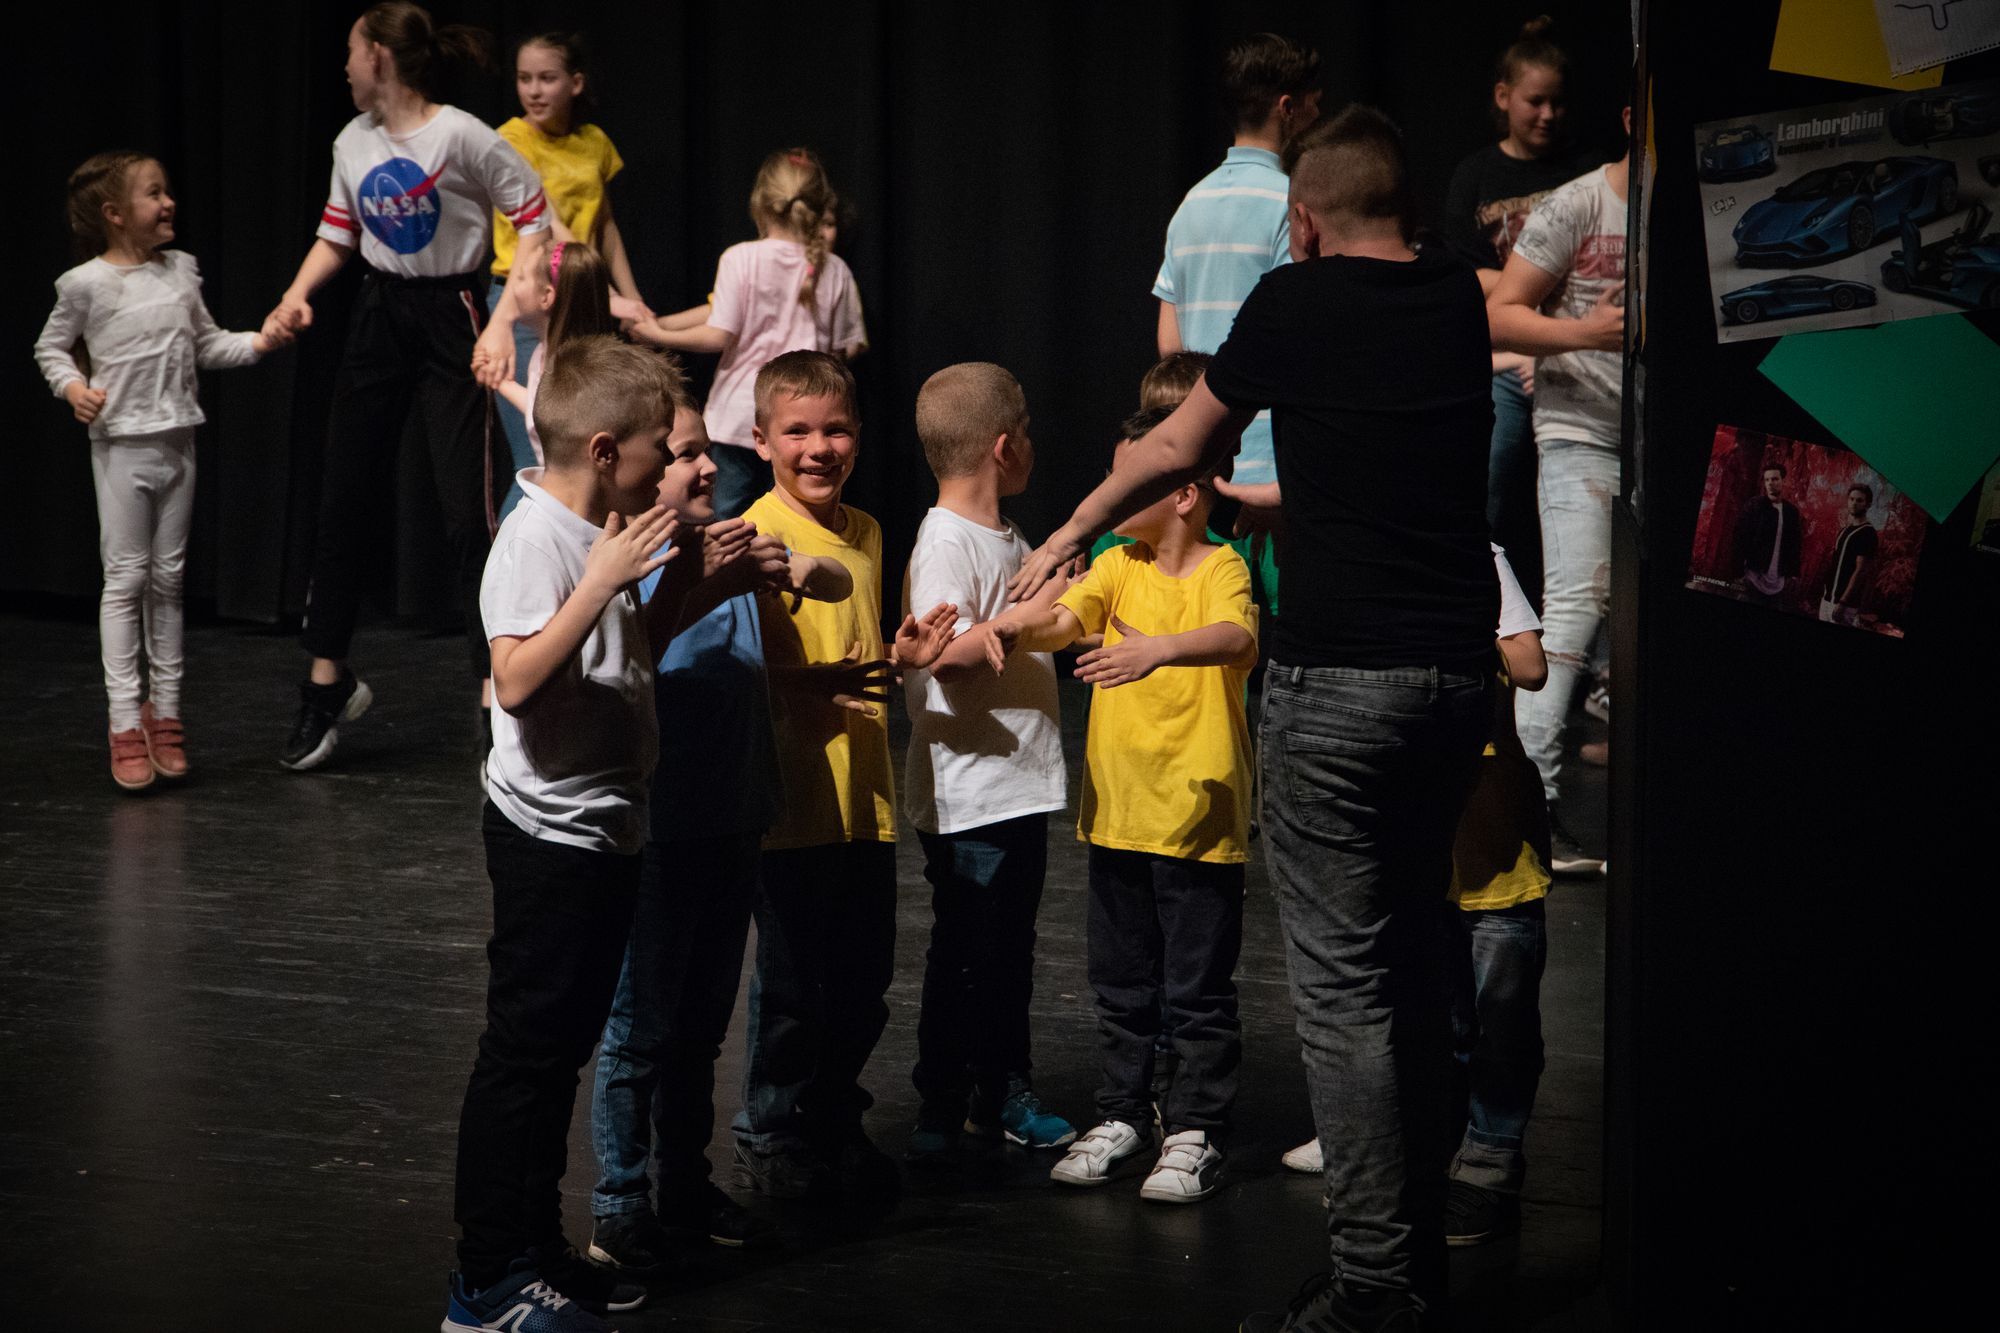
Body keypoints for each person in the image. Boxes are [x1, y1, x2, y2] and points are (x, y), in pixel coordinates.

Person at [1010, 106, 1498, 1328]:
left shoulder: (1294, 301)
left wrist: (1069, 530)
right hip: (1452, 679)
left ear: (1302, 221)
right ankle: (1411, 1267)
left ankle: (1374, 1288)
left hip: (1339, 685)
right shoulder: (1453, 298)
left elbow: (1177, 442)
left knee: (1346, 996)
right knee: (1414, 965)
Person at [445, 337, 701, 1333]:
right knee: (523, 1057)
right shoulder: (538, 540)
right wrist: (601, 582)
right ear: (603, 450)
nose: (665, 461)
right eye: (655, 446)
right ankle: (483, 1284)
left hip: (602, 830)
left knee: (558, 1059)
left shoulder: (599, 532)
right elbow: (514, 679)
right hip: (547, 838)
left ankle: (534, 1247)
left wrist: (695, 585)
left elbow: (619, 658)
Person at [586, 379, 841, 1275]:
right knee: (640, 1027)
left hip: (733, 816)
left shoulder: (728, 540)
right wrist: (710, 577)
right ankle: (619, 1200)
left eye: (703, 450)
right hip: (660, 828)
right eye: (683, 452)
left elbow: (833, 581)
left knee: (700, 1027)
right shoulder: (631, 561)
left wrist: (789, 569)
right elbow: (633, 657)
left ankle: (684, 1186)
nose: (703, 466)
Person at [265, 2, 550, 772]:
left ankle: (496, 692)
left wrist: (501, 320)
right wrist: (297, 294)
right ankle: (326, 680)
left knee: (467, 515)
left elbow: (534, 217)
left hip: (452, 314)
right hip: (378, 315)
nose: (345, 67)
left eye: (352, 53)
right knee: (342, 500)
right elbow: (338, 233)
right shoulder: (352, 142)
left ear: (380, 58)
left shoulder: (459, 135)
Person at [984, 404, 1255, 1203]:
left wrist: (1158, 649)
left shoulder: (1222, 566)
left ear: (1183, 492)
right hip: (1120, 816)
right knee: (1122, 982)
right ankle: (1124, 1113)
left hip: (1197, 821)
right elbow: (1063, 618)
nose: (1111, 489)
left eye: (1128, 477)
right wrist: (1013, 627)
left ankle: (1197, 1128)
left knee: (1197, 989)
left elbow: (1238, 638)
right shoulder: (1117, 563)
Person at [729, 351, 957, 1205]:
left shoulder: (864, 530)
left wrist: (903, 656)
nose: (819, 447)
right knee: (792, 984)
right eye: (798, 431)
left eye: (836, 429)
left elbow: (859, 653)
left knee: (861, 982)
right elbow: (738, 673)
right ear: (761, 441)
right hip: (793, 799)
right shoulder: (752, 537)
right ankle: (770, 1132)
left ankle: (832, 1118)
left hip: (863, 799)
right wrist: (806, 686)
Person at [34, 152, 290, 790]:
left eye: (167, 191)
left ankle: (166, 713)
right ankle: (125, 721)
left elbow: (205, 343)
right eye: (153, 194)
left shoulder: (180, 271)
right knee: (126, 580)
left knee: (168, 581)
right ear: (115, 214)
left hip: (178, 443)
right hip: (123, 448)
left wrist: (261, 340)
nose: (168, 202)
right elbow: (51, 347)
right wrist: (73, 388)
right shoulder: (86, 284)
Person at [897, 363, 1076, 1165]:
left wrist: (1063, 607)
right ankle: (944, 1096)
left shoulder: (1011, 537)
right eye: (1027, 429)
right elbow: (946, 655)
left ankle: (999, 1092)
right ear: (1004, 447)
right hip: (973, 793)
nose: (1033, 442)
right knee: (966, 956)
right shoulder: (945, 540)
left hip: (1016, 785)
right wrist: (1024, 616)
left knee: (1007, 953)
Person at [1487, 107, 1632, 880]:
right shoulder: (1579, 204)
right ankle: (1529, 805)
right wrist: (1586, 333)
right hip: (1583, 429)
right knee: (1577, 602)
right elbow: (1498, 315)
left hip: (1666, 439)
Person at [1442, 15, 1600, 606]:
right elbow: (1467, 278)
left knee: (1586, 495)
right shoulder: (1475, 175)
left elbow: (1594, 275)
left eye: (1558, 102)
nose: (1548, 115)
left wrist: (1537, 318)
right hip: (1504, 361)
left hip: (1577, 351)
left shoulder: (1587, 170)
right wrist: (1528, 303)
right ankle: (1481, 608)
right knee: (1487, 474)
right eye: (1535, 101)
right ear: (1504, 97)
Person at [637, 150, 866, 518]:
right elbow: (845, 350)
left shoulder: (740, 258)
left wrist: (658, 335)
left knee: (726, 516)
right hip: (805, 424)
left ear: (761, 202)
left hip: (739, 416)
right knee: (802, 514)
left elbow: (718, 334)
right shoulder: (835, 268)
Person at [488, 31, 651, 519]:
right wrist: (608, 295)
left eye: (547, 78)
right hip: (526, 302)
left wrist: (633, 302)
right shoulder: (512, 139)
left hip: (583, 300)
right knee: (540, 454)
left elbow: (606, 227)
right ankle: (514, 558)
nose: (534, 90)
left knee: (587, 452)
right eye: (524, 79)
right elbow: (548, 220)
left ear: (575, 83)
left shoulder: (594, 142)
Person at [487, 239, 620, 476]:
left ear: (546, 296)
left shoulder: (577, 375)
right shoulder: (542, 354)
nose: (513, 287)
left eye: (520, 278)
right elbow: (540, 408)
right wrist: (501, 383)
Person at [1734, 462, 1802, 607]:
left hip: (1778, 583)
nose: (1770, 483)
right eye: (1767, 480)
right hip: (1753, 578)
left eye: (1775, 479)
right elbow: (1740, 538)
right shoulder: (1755, 505)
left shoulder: (1791, 512)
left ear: (1784, 481)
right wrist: (1738, 572)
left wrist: (1793, 574)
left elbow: (1794, 544)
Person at [1819, 483, 1878, 627]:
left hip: (1844, 605)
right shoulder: (1844, 530)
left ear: (1868, 504)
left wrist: (1843, 602)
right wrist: (1826, 591)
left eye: (1859, 500)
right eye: (1851, 499)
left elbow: (1861, 570)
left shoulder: (1868, 533)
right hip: (1827, 599)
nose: (1854, 503)